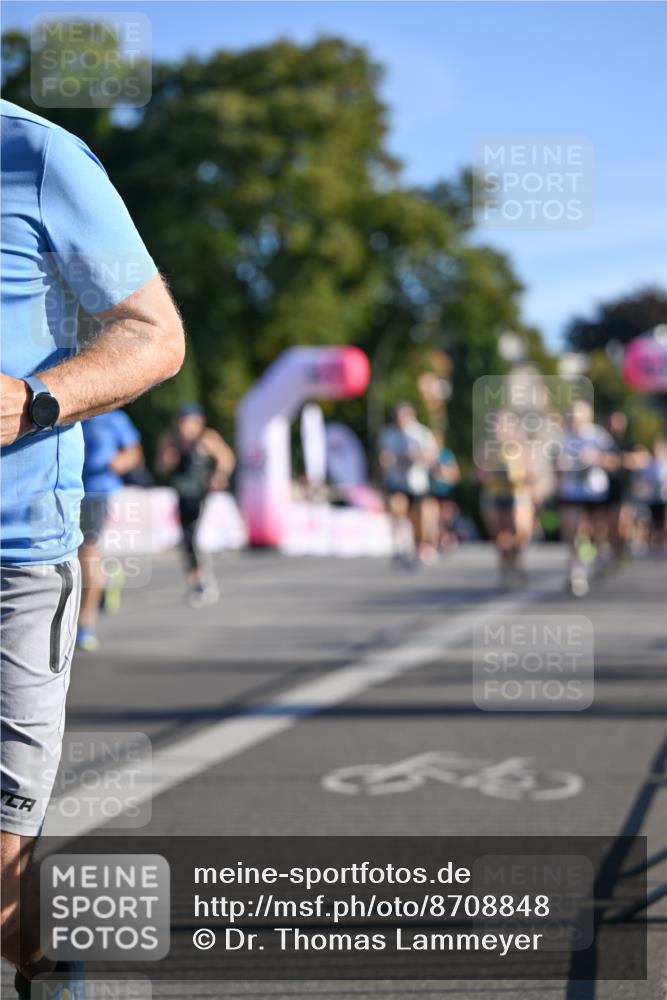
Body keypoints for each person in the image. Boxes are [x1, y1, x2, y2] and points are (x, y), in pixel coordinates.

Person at [1, 100, 184, 999]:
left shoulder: (36, 154)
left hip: (13, 557)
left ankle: (49, 964)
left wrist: (34, 399)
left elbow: (155, 334)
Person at [76, 409, 143, 651]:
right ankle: (107, 577)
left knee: (87, 552)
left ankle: (85, 624)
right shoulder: (70, 410)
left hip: (97, 492)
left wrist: (120, 462)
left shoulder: (114, 418)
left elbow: (134, 453)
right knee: (74, 558)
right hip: (66, 492)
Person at [156, 404, 235, 605]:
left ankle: (202, 580)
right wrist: (168, 459)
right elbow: (161, 467)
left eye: (189, 422)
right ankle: (196, 580)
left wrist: (219, 475)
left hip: (202, 494)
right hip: (182, 493)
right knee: (186, 539)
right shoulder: (172, 440)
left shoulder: (207, 438)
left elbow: (227, 458)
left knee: (194, 536)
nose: (185, 427)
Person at [556, 400, 618, 596]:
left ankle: (600, 553)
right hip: (571, 492)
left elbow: (614, 462)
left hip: (594, 492)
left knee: (596, 531)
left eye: (578, 416)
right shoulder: (562, 437)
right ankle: (576, 571)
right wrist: (560, 465)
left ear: (587, 417)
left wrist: (594, 458)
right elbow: (554, 464)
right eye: (572, 416)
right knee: (573, 531)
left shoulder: (598, 436)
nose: (575, 421)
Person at [478, 409, 539, 587]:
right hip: (494, 495)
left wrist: (524, 480)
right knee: (500, 534)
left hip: (517, 494)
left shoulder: (521, 448)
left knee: (520, 531)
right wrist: (490, 474)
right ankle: (506, 566)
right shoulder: (487, 448)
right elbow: (479, 473)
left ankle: (516, 558)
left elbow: (531, 473)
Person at [377, 402, 440, 565]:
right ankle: (401, 542)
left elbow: (433, 458)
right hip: (397, 481)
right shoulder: (387, 434)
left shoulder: (421, 433)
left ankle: (419, 544)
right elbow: (383, 458)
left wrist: (418, 457)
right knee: (396, 507)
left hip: (416, 483)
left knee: (417, 518)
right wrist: (384, 463)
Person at [428, 435, 461, 552]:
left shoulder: (447, 454)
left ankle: (447, 536)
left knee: (446, 516)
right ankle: (436, 540)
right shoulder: (428, 455)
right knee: (433, 516)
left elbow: (456, 476)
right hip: (432, 493)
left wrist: (445, 472)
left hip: (447, 493)